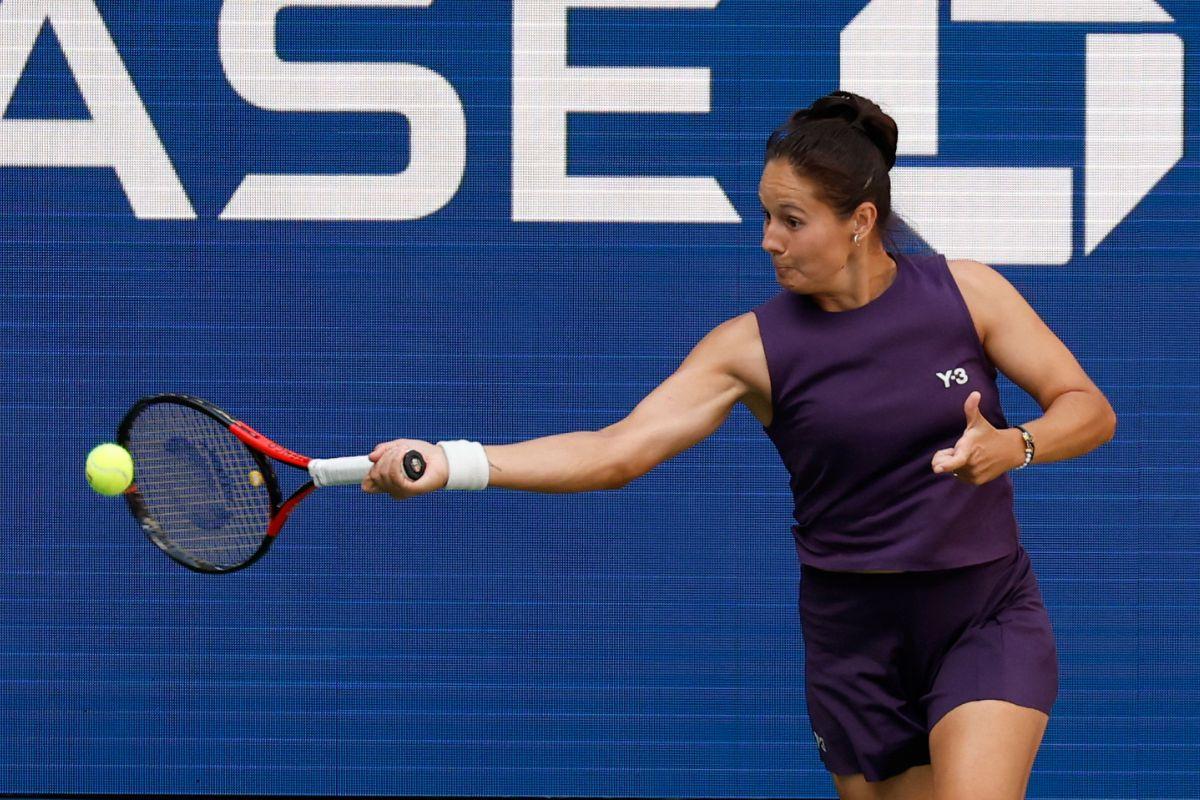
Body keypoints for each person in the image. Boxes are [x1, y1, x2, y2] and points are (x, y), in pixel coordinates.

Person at [360, 91, 1118, 800]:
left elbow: (1086, 409)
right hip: (854, 639)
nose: (769, 242)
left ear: (859, 220)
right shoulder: (748, 348)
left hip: (981, 611)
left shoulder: (968, 292)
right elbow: (620, 449)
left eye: (792, 221)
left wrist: (1014, 446)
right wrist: (454, 462)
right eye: (765, 217)